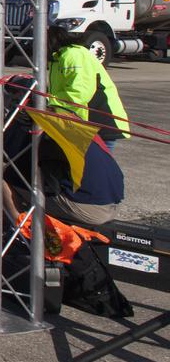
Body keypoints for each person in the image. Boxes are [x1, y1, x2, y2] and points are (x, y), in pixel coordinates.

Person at [42, 24, 129, 225]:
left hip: (100, 122)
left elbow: (78, 93)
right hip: (81, 124)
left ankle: (97, 215)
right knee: (79, 176)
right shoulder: (58, 59)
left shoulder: (73, 55)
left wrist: (49, 107)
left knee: (96, 175)